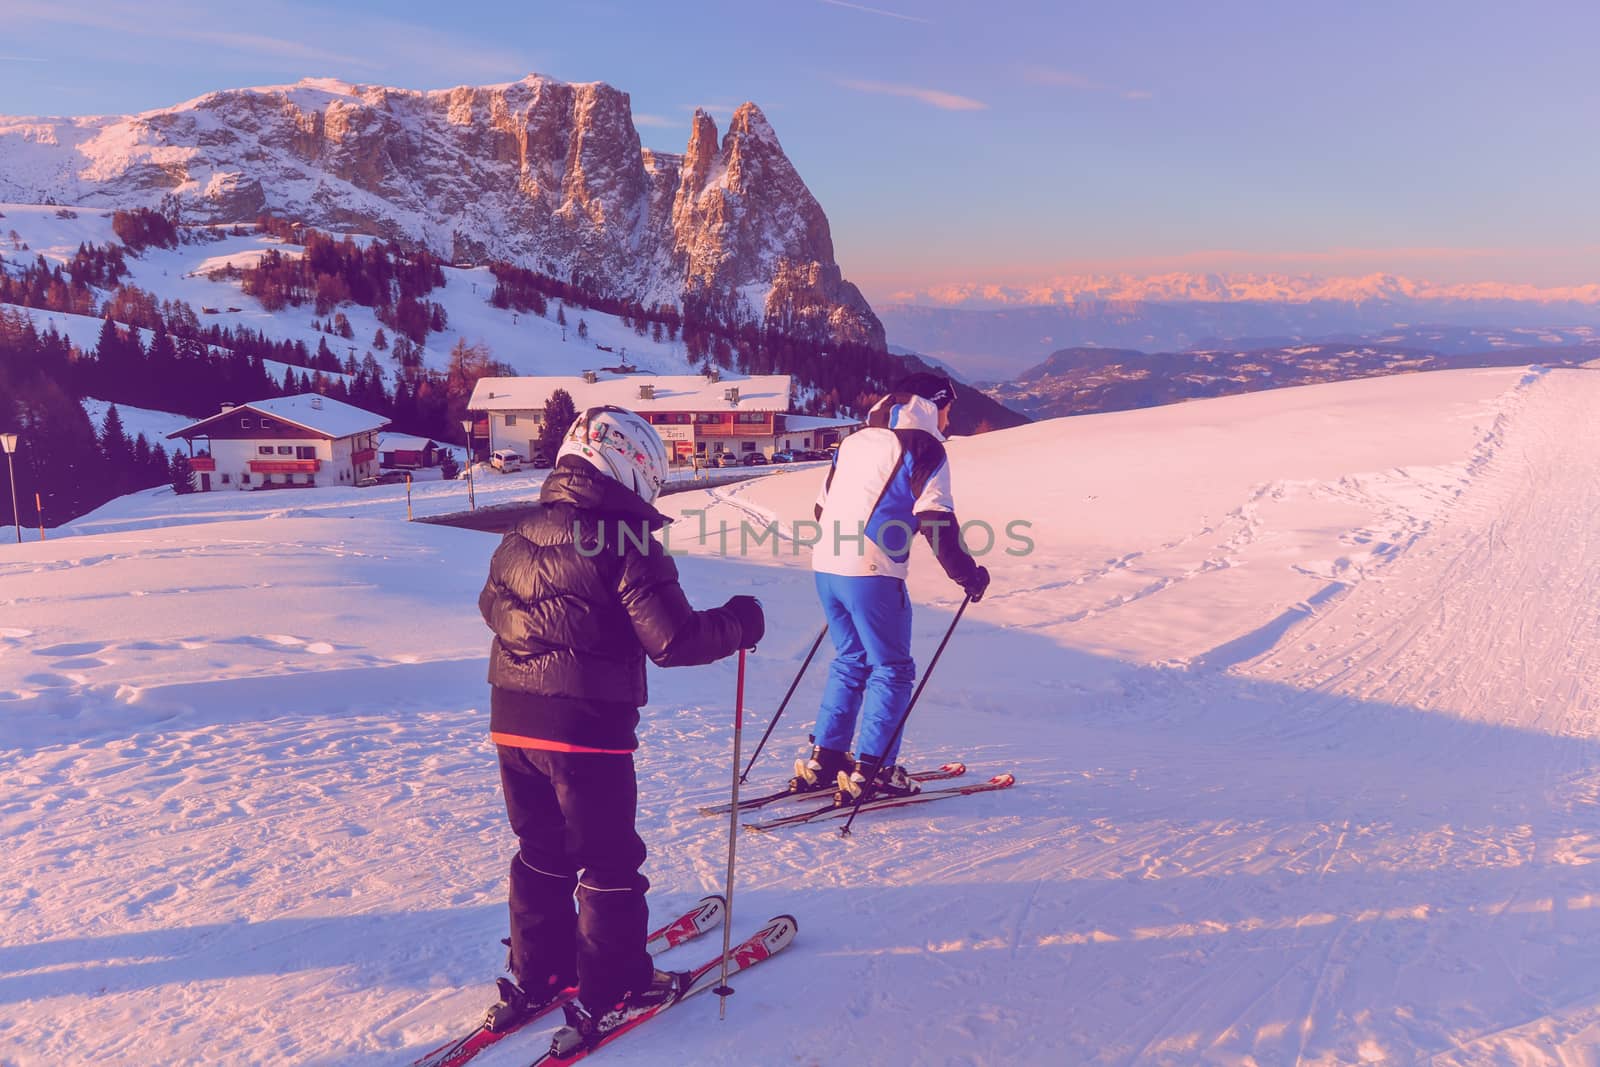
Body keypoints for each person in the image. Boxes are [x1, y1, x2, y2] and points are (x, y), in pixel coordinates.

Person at [477, 405, 764, 1046]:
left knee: (542, 850)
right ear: (633, 468)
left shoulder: (519, 530)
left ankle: (539, 971)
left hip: (512, 720)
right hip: (584, 727)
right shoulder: (626, 540)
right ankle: (616, 986)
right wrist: (742, 622)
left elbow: (492, 607)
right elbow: (673, 639)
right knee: (608, 861)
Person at [793, 372, 991, 802]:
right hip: (873, 571)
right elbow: (936, 519)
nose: (949, 420)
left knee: (850, 660)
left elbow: (819, 506)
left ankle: (825, 758)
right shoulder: (923, 448)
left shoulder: (855, 441)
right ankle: (875, 769)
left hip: (826, 565)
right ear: (932, 404)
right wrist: (967, 575)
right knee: (893, 669)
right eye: (948, 409)